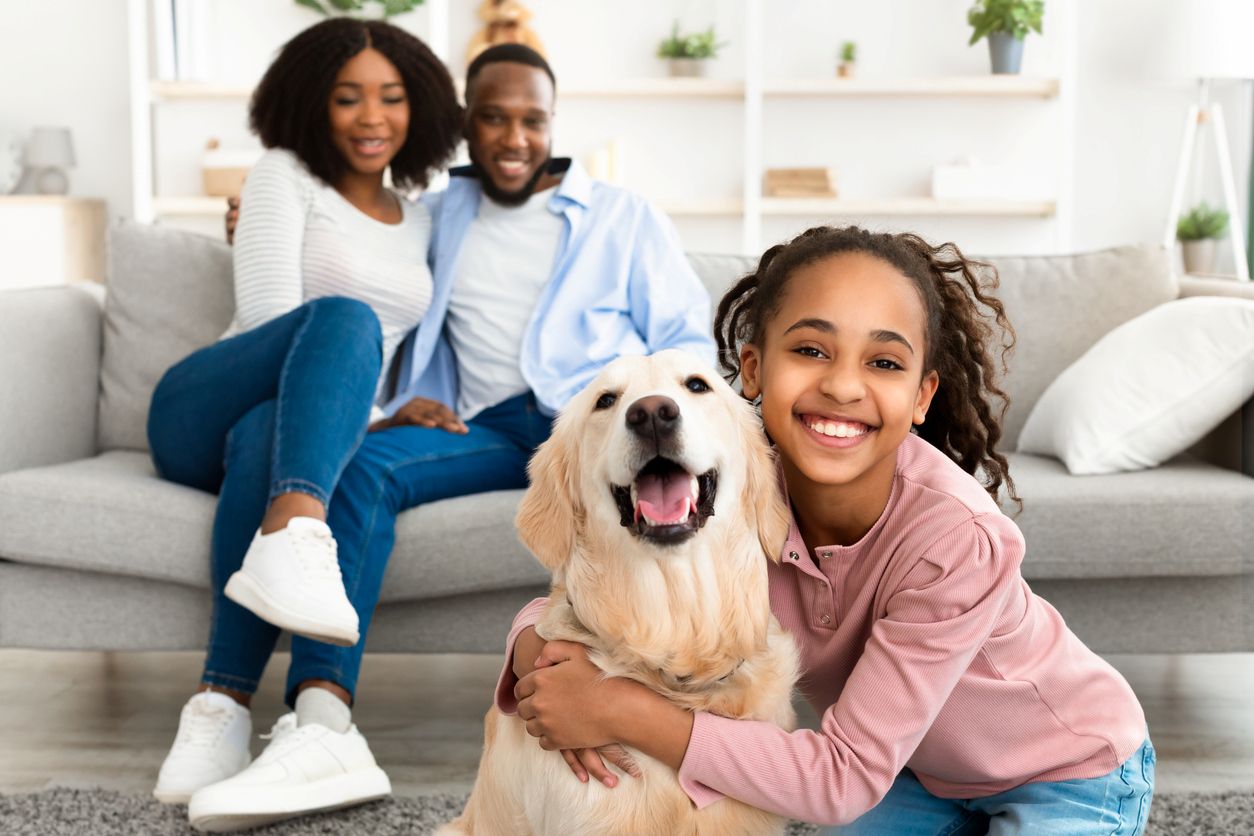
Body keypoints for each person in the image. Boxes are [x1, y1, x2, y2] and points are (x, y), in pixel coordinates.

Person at [179, 42, 716, 830]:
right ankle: (323, 721)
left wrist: (648, 424)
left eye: (532, 120)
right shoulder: (440, 211)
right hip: (490, 428)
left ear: (554, 122)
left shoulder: (622, 217)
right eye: (492, 119)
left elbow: (684, 340)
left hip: (593, 431)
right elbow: (363, 246)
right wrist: (251, 221)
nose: (513, 138)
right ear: (465, 123)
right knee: (357, 470)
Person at [500, 226, 1155, 834]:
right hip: (917, 775)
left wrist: (619, 710)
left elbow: (842, 778)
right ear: (753, 369)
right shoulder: (730, 491)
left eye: (885, 363)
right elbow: (583, 586)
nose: (843, 385)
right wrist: (535, 656)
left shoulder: (957, 539)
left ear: (922, 395)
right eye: (811, 350)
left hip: (1069, 769)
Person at [146, 17, 461, 824]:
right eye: (346, 97)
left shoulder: (421, 216)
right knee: (344, 320)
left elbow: (377, 367)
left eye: (391, 98)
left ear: (418, 108)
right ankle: (298, 531)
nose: (371, 116)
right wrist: (369, 407)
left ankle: (218, 709)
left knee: (271, 437)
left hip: (279, 434)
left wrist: (385, 414)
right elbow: (267, 321)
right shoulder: (285, 176)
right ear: (311, 104)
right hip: (200, 406)